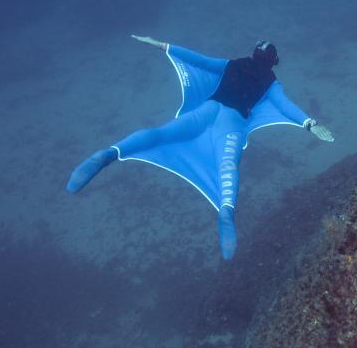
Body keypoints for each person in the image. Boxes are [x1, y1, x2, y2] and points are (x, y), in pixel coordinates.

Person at [65, 36, 334, 259]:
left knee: (161, 134)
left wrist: (162, 46)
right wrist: (310, 123)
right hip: (231, 123)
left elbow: (197, 60)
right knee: (226, 165)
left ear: (252, 54)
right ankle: (226, 210)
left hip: (207, 109)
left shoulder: (233, 64)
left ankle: (110, 153)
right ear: (274, 61)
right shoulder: (272, 83)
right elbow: (286, 107)